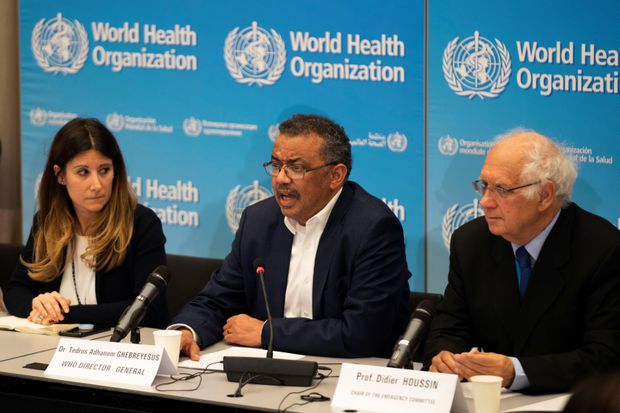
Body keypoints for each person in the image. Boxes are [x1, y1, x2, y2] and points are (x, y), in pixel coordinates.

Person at [172, 114, 411, 359]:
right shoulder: (258, 220)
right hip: (265, 372)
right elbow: (218, 300)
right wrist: (187, 331)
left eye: (296, 168)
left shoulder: (373, 228)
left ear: (335, 176)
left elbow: (361, 334)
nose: (281, 179)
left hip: (344, 371)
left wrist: (267, 333)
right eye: (276, 166)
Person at [424, 129, 620, 394]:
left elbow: (606, 357)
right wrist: (445, 358)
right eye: (484, 186)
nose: (485, 202)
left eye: (501, 189)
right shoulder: (471, 242)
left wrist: (516, 371)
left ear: (545, 195)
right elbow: (449, 328)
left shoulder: (603, 250)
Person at [5, 117, 168, 328]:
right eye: (83, 172)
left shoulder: (141, 224)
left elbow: (149, 310)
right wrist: (39, 305)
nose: (97, 184)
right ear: (60, 175)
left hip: (115, 344)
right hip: (51, 342)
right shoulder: (47, 222)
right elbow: (15, 290)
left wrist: (63, 314)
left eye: (104, 170)